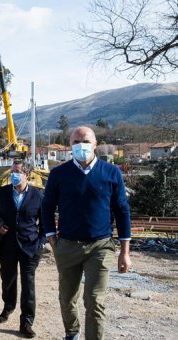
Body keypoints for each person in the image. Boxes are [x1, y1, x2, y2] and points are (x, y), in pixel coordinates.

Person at [41, 126, 132, 340]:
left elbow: (122, 210)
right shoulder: (58, 174)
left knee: (94, 300)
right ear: (69, 146)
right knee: (67, 298)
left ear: (95, 145)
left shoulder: (111, 173)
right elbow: (46, 206)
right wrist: (51, 236)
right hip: (67, 245)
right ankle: (72, 333)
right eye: (75, 142)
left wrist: (124, 251)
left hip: (100, 245)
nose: (80, 145)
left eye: (85, 141)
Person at [0, 160, 45, 338]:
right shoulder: (2, 192)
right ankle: (8, 307)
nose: (14, 175)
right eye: (12, 171)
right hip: (7, 245)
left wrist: (41, 242)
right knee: (8, 280)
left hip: (30, 246)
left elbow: (46, 222)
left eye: (17, 172)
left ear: (26, 174)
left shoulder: (38, 195)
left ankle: (26, 321)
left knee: (28, 284)